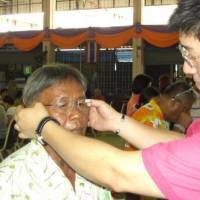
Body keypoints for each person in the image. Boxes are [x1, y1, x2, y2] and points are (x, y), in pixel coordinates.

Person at [14, 0, 200, 199]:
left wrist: (43, 125)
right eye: (62, 104)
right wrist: (115, 122)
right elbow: (184, 145)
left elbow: (116, 172)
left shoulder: (92, 174)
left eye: (192, 55)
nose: (186, 68)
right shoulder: (12, 179)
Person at [0, 64, 112, 199]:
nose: (76, 114)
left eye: (81, 103)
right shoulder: (10, 178)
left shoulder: (98, 166)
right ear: (31, 111)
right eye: (62, 105)